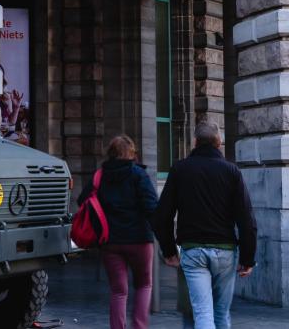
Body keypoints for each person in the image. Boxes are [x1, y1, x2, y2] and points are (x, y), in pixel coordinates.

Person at [152, 123, 257, 329]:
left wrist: (169, 250)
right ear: (219, 143)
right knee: (221, 313)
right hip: (226, 250)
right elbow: (246, 219)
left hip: (193, 250)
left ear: (195, 142)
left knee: (202, 312)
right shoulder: (231, 171)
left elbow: (162, 216)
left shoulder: (180, 169)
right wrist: (247, 258)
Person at [76, 135, 159, 329]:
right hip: (139, 240)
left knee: (118, 292)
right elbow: (151, 207)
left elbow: (82, 201)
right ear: (132, 153)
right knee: (144, 285)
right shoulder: (139, 174)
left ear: (111, 154)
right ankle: (139, 326)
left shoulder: (100, 175)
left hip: (110, 241)